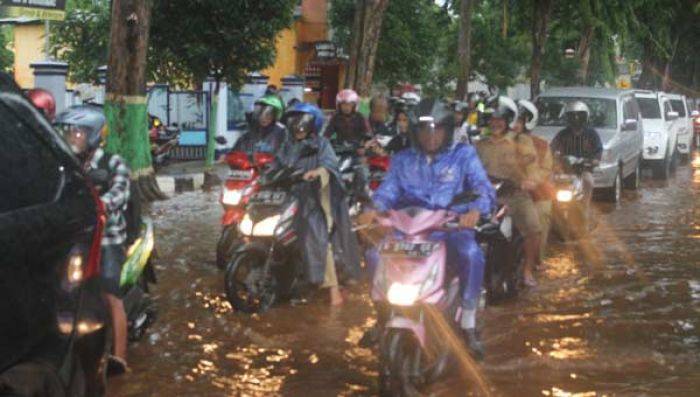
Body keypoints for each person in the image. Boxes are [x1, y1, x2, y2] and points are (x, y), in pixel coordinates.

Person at [366, 101, 496, 358]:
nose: (431, 135)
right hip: (408, 228)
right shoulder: (403, 159)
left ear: (448, 131)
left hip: (449, 226)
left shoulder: (463, 155)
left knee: (471, 254)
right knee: (373, 255)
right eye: (425, 129)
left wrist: (475, 210)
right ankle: (382, 315)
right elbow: (388, 190)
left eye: (437, 129)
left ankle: (468, 321)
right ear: (415, 131)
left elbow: (483, 188)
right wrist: (374, 207)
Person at [54, 106, 131, 375]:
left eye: (77, 132)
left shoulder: (113, 163)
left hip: (108, 238)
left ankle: (119, 356)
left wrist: (96, 204)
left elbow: (120, 194)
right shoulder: (66, 163)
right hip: (77, 237)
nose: (71, 137)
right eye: (68, 131)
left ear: (94, 135)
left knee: (110, 293)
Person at [279, 103, 361, 306]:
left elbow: (330, 166)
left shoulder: (322, 144)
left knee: (317, 235)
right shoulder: (287, 145)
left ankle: (334, 291)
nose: (298, 128)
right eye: (294, 123)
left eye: (302, 124)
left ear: (311, 125)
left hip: (314, 199)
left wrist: (318, 172)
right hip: (290, 197)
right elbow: (276, 164)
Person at [475, 96, 542, 287]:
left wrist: (530, 181)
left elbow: (533, 168)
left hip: (515, 195)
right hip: (487, 197)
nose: (495, 123)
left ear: (507, 121)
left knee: (533, 228)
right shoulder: (480, 145)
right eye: (492, 119)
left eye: (500, 119)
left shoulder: (522, 142)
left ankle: (528, 270)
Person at [550, 101, 603, 228]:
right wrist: (552, 161)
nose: (576, 119)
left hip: (583, 171)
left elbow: (598, 154)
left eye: (579, 116)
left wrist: (589, 162)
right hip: (564, 172)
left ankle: (584, 210)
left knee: (588, 181)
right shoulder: (562, 134)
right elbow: (551, 150)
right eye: (572, 116)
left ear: (585, 117)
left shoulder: (592, 134)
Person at [515, 99, 554, 267]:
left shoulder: (542, 145)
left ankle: (537, 261)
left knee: (538, 224)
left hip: (537, 195)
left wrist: (531, 181)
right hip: (509, 194)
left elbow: (545, 170)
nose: (514, 124)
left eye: (518, 120)